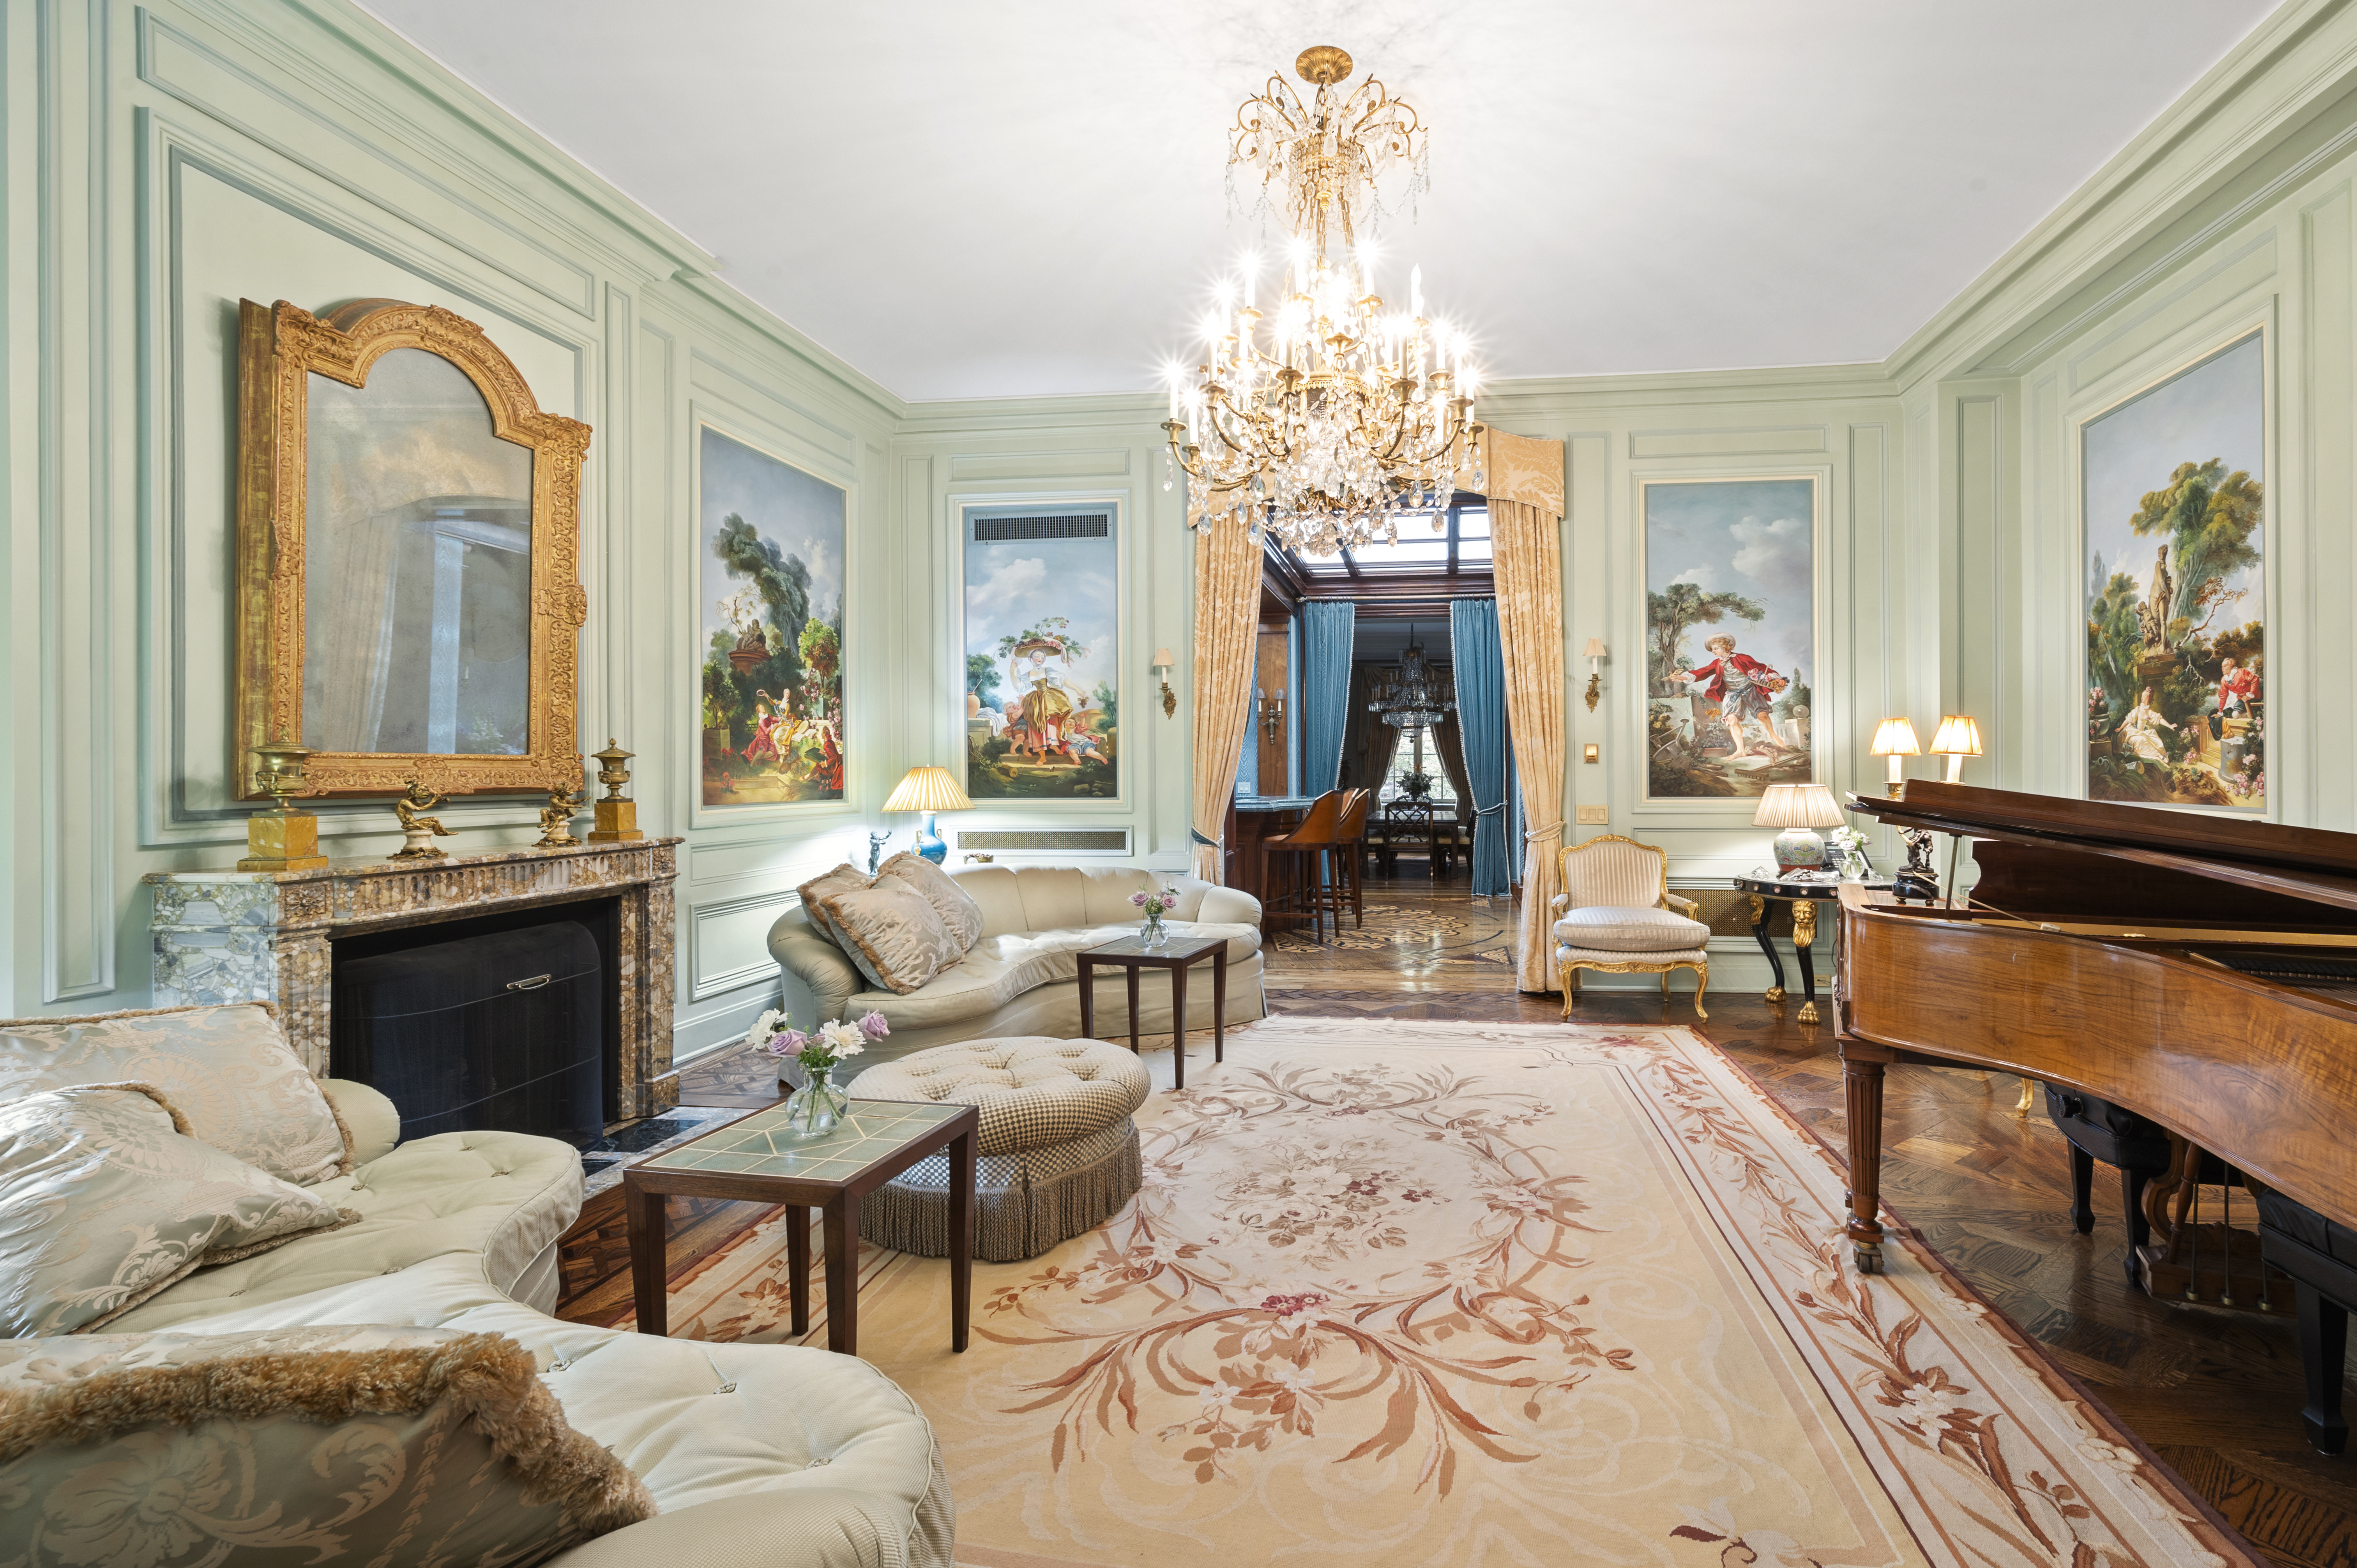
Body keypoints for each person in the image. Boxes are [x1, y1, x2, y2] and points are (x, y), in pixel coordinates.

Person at [1683, 634, 1788, 759]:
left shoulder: (1742, 658)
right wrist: (1685, 677)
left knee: (1762, 715)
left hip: (1750, 691)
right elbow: (1703, 672)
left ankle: (1773, 735)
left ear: (1725, 647)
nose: (1713, 652)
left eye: (1716, 648)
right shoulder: (1717, 663)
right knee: (1732, 720)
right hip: (1733, 694)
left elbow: (1761, 668)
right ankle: (1740, 750)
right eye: (1713, 649)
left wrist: (1779, 679)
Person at [2121, 686, 2175, 764]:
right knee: (2142, 740)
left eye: (2144, 696)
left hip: (2144, 732)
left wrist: (2170, 726)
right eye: (2142, 696)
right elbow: (2128, 719)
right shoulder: (2138, 709)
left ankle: (2159, 756)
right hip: (2135, 732)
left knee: (2157, 741)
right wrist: (2120, 728)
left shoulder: (2149, 712)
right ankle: (2158, 756)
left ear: (2148, 697)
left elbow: (2159, 719)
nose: (2142, 698)